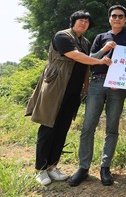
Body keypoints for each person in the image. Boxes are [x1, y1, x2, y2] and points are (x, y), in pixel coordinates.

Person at [25, 10, 111, 186]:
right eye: (81, 21)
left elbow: (86, 62)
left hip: (73, 91)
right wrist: (101, 61)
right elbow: (76, 56)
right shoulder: (62, 36)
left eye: (87, 22)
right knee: (48, 126)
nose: (84, 24)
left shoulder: (84, 41)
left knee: (62, 127)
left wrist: (86, 85)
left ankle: (52, 166)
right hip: (55, 87)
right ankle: (40, 169)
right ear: (73, 22)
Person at [68, 5, 126, 187]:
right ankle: (83, 167)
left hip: (119, 87)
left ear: (125, 19)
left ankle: (105, 167)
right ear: (109, 19)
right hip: (98, 81)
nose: (117, 19)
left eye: (121, 16)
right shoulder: (101, 37)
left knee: (112, 127)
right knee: (88, 126)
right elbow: (89, 59)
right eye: (114, 16)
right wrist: (104, 51)